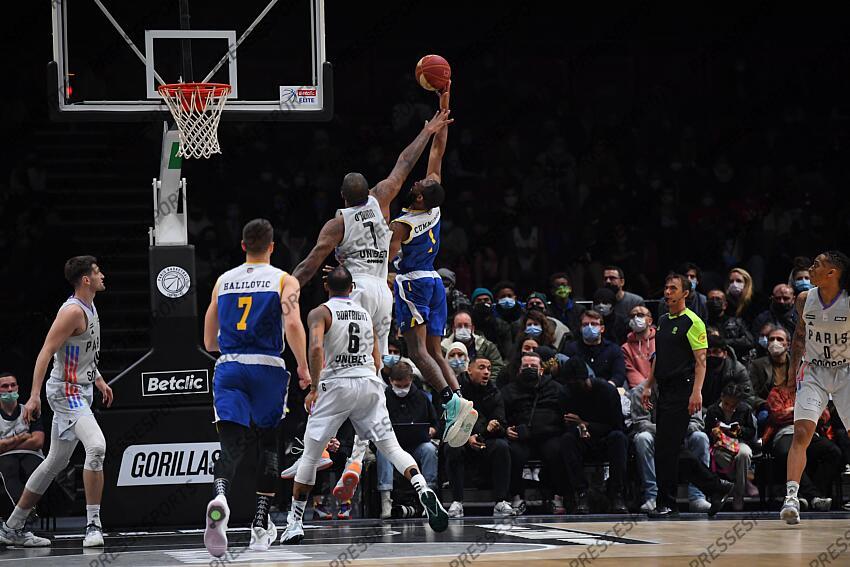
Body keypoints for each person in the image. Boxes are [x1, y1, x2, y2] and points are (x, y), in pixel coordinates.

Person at [292, 89, 454, 503]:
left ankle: (321, 449)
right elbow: (404, 162)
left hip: (356, 294)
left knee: (331, 367)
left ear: (343, 198)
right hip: (384, 291)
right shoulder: (384, 199)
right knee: (371, 373)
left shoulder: (337, 223)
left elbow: (311, 264)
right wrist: (428, 130)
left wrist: (288, 287)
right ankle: (356, 460)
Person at [280, 267, 448, 543]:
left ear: (326, 286)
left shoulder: (320, 312)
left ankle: (294, 522)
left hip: (336, 386)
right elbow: (377, 358)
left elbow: (316, 349)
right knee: (392, 448)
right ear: (352, 287)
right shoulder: (365, 314)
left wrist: (313, 387)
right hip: (369, 384)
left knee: (310, 455)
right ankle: (422, 488)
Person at [200, 219, 310, 556]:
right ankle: (260, 525)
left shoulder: (223, 281)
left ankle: (220, 496)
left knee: (231, 444)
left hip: (230, 366)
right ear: (272, 246)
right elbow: (292, 324)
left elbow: (208, 339)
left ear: (243, 246)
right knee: (268, 444)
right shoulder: (284, 280)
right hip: (267, 367)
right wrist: (304, 368)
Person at [0, 256, 113, 548]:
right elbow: (46, 352)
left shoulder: (90, 304)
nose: (103, 275)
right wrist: (34, 395)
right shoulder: (72, 312)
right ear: (86, 279)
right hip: (66, 393)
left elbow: (81, 353)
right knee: (97, 446)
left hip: (82, 389)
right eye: (98, 271)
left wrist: (98, 379)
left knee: (53, 462)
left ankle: (11, 527)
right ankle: (93, 525)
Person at [388, 84, 477, 451]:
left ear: (420, 196)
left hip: (413, 283)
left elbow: (389, 263)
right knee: (436, 351)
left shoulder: (403, 224)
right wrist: (444, 104)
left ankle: (447, 399)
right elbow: (438, 151)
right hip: (435, 282)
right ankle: (461, 399)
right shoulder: (435, 207)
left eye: (421, 183)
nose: (419, 179)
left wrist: (383, 278)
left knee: (416, 352)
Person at [641, 273, 734, 517]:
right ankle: (716, 486)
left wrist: (696, 393)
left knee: (666, 450)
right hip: (665, 389)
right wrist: (648, 385)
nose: (668, 292)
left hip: (683, 390)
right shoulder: (662, 320)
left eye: (673, 288)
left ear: (686, 293)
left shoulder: (693, 322)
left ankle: (668, 503)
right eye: (666, 287)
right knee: (669, 449)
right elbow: (658, 356)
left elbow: (701, 361)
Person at [781, 251, 850, 524]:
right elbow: (799, 336)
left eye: (817, 265)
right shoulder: (803, 299)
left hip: (846, 370)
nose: (811, 268)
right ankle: (791, 498)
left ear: (832, 273)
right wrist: (790, 371)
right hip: (814, 370)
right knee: (801, 432)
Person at [764, 364, 840, 515]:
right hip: (786, 432)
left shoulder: (815, 388)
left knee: (834, 452)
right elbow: (777, 415)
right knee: (787, 451)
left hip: (810, 432)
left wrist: (794, 411)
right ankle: (812, 497)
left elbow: (824, 416)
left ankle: (811, 494)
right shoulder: (777, 392)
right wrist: (802, 412)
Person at [445, 357, 515, 518]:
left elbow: (501, 422)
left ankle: (500, 502)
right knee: (452, 447)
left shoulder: (494, 392)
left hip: (485, 439)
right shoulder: (456, 391)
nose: (486, 372)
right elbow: (450, 420)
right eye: (481, 368)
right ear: (469, 370)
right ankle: (457, 502)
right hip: (461, 438)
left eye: (489, 369)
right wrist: (468, 436)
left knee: (502, 447)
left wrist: (490, 430)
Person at [629, 380, 712, 513]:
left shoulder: (689, 390)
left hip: (682, 436)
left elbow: (697, 422)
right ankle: (652, 495)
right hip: (655, 436)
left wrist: (676, 431)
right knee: (642, 438)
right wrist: (667, 432)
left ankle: (697, 496)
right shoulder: (640, 391)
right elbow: (640, 424)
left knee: (700, 437)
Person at [559, 360, 628, 514]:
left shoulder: (607, 391)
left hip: (605, 438)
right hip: (581, 439)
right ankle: (581, 493)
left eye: (576, 383)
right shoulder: (566, 393)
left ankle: (616, 493)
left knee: (619, 438)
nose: (573, 386)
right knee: (566, 440)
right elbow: (566, 424)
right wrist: (580, 427)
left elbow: (617, 426)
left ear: (585, 379)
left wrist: (586, 424)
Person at [501, 352, 565, 514]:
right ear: (519, 370)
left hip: (548, 435)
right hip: (520, 437)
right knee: (513, 453)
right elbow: (501, 416)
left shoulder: (555, 389)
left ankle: (557, 497)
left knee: (557, 450)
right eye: (526, 366)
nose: (529, 369)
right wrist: (506, 429)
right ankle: (517, 497)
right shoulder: (509, 391)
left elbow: (560, 417)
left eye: (533, 367)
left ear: (542, 370)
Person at [377, 362, 440, 518]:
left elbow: (435, 423)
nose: (402, 390)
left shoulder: (421, 398)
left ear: (411, 379)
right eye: (398, 386)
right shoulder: (383, 398)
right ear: (390, 381)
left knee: (430, 450)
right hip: (391, 447)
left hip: (417, 445)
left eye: (405, 385)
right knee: (382, 453)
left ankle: (428, 495)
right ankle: (386, 499)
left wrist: (432, 430)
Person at [705, 383, 757, 511]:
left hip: (739, 443)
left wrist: (740, 431)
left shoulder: (745, 409)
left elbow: (751, 432)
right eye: (727, 404)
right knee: (717, 455)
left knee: (744, 454)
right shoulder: (713, 410)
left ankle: (738, 495)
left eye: (733, 406)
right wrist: (715, 432)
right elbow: (706, 431)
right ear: (722, 398)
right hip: (720, 445)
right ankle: (744, 481)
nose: (729, 408)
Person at [0, 373, 45, 517]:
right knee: (9, 467)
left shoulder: (30, 410)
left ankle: (25, 513)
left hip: (31, 454)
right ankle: (25, 513)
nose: (10, 389)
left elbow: (38, 441)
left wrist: (6, 444)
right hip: (6, 458)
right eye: (5, 386)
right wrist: (21, 438)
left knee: (33, 469)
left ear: (18, 388)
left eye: (13, 385)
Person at [562, 310, 626, 387]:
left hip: (606, 390)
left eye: (594, 324)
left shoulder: (614, 349)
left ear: (602, 328)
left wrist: (608, 387)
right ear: (581, 329)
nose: (589, 327)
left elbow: (619, 375)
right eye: (585, 324)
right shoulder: (571, 349)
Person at [441, 311, 505, 383]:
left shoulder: (486, 346)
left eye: (466, 325)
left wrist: (488, 386)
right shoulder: (442, 348)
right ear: (453, 329)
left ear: (472, 328)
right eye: (459, 326)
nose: (463, 329)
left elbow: (497, 368)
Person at [701, 335, 755, 409]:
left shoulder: (738, 370)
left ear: (725, 354)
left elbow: (749, 398)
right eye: (708, 352)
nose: (712, 355)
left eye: (716, 352)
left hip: (729, 411)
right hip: (701, 412)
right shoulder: (696, 368)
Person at [705, 289, 755, 361]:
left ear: (725, 305)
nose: (714, 302)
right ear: (706, 303)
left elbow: (749, 341)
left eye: (718, 299)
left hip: (736, 361)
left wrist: (723, 341)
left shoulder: (737, 322)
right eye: (711, 299)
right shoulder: (701, 323)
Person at [470, 288, 513, 358]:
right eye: (479, 300)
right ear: (473, 305)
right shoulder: (469, 325)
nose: (483, 302)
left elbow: (508, 353)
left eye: (486, 300)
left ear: (492, 303)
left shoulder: (502, 325)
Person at [622, 305, 656, 388]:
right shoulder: (625, 348)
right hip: (639, 389)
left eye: (640, 315)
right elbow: (631, 372)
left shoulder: (661, 340)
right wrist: (647, 387)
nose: (636, 318)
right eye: (632, 316)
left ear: (650, 321)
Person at [548, 272, 585, 338]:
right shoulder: (549, 311)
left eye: (564, 285)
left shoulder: (580, 310)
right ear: (552, 291)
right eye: (558, 286)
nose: (561, 288)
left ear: (570, 289)